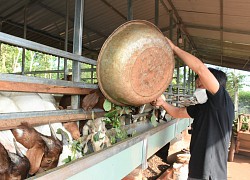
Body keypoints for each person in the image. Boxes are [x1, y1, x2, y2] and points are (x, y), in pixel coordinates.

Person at [151, 37, 235, 180]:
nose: (198, 87)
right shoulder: (204, 107)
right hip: (197, 169)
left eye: (200, 84)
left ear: (213, 84)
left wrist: (175, 49)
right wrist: (162, 103)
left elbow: (201, 69)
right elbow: (178, 112)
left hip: (210, 172)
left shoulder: (221, 101)